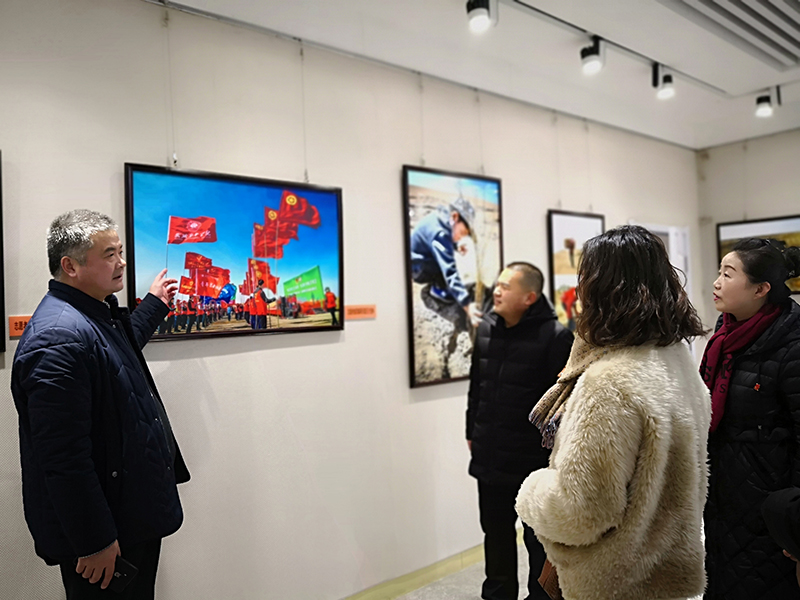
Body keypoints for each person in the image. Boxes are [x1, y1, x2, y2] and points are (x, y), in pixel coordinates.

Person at [515, 225, 710, 600]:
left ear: (602, 289)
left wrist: (530, 491)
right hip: (665, 570)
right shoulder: (676, 361)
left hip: (614, 580)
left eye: (585, 278)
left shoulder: (608, 382)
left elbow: (583, 512)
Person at [11, 209, 190, 600]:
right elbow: (63, 457)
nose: (121, 262)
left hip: (127, 515)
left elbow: (115, 356)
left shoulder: (90, 315)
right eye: (110, 254)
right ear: (70, 266)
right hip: (107, 533)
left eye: (120, 251)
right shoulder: (57, 339)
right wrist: (95, 541)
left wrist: (155, 303)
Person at [467, 262, 573, 600]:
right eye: (497, 285)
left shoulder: (556, 337)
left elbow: (562, 406)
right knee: (495, 535)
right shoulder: (486, 329)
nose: (496, 291)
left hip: (532, 463)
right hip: (490, 456)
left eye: (505, 286)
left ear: (529, 297)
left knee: (538, 541)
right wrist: (471, 431)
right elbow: (476, 388)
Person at [701, 238, 800, 599]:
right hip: (723, 501)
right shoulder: (724, 336)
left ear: (761, 289)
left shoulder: (792, 344)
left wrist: (793, 523)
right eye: (719, 272)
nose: (716, 282)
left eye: (728, 274)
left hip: (770, 511)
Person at [410, 197, 482, 327]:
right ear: (455, 217)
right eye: (461, 233)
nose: (460, 238)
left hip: (421, 259)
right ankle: (437, 290)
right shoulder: (440, 233)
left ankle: (440, 285)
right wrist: (467, 305)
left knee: (448, 257)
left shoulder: (441, 219)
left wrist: (454, 246)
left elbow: (435, 242)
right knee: (447, 263)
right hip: (417, 267)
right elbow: (450, 271)